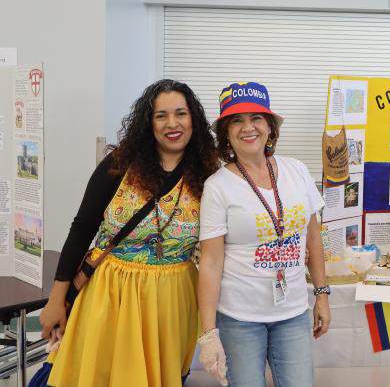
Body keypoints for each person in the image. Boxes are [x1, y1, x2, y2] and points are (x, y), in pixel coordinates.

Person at [39, 79, 219, 386]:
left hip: (173, 300)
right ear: (148, 123)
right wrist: (57, 299)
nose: (172, 123)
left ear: (194, 120)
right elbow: (82, 229)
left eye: (181, 113)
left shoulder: (209, 173)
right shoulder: (120, 164)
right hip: (112, 296)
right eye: (161, 115)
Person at [197, 82, 330, 387]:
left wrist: (322, 295)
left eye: (256, 118)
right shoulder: (217, 186)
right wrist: (208, 335)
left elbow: (313, 238)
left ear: (269, 126)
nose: (248, 128)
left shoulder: (296, 171)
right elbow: (210, 263)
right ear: (227, 134)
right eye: (236, 120)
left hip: (293, 313)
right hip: (239, 318)